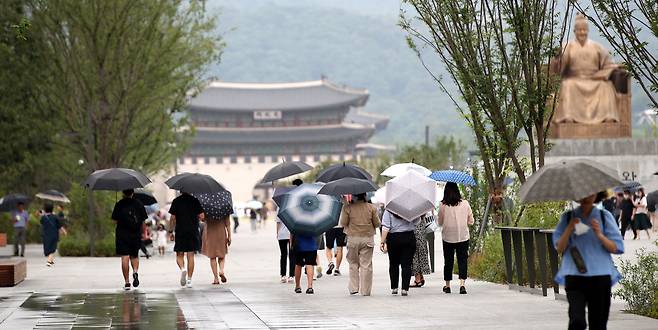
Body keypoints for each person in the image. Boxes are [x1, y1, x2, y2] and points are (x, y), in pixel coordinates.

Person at [554, 192, 624, 330]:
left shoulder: (605, 217)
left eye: (590, 194)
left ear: (597, 195)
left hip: (600, 275)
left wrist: (599, 235)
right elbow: (559, 247)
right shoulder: (567, 217)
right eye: (582, 194)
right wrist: (569, 228)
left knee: (598, 323)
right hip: (575, 275)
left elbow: (617, 247)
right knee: (577, 320)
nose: (586, 197)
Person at [340, 193, 380, 296]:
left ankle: (354, 288)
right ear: (365, 196)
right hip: (367, 239)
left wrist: (345, 205)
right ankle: (365, 291)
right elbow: (377, 224)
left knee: (353, 263)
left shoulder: (348, 208)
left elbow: (343, 223)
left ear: (354, 196)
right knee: (366, 265)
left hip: (353, 238)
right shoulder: (371, 208)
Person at [438, 182, 474, 294]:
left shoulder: (443, 205)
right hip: (463, 236)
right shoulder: (465, 203)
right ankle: (462, 285)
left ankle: (447, 285)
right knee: (462, 260)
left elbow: (439, 222)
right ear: (458, 191)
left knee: (448, 261)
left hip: (448, 237)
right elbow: (471, 221)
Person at [112, 189, 148, 290]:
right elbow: (143, 221)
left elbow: (114, 220)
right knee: (134, 255)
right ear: (132, 193)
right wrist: (144, 233)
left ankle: (127, 282)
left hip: (122, 234)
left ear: (123, 193)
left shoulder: (119, 204)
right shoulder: (139, 204)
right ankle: (135, 272)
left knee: (125, 257)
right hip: (135, 233)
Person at [168, 191, 205, 288]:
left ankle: (182, 269)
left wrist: (170, 231)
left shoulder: (176, 201)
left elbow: (172, 217)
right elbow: (202, 217)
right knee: (190, 255)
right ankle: (189, 280)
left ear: (180, 190)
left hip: (180, 231)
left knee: (179, 254)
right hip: (193, 231)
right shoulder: (195, 200)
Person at [380, 210, 418, 296]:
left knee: (393, 264)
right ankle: (405, 289)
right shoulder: (411, 208)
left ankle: (394, 287)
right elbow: (416, 221)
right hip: (409, 236)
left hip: (394, 238)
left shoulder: (389, 209)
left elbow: (386, 226)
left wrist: (382, 241)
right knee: (407, 264)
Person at [202, 214, 231, 285]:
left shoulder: (207, 207)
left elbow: (202, 219)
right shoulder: (224, 208)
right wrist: (229, 236)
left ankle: (216, 278)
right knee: (222, 254)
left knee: (212, 257)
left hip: (209, 233)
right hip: (221, 232)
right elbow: (228, 224)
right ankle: (221, 270)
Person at [410, 214, 431, 288]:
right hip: (422, 233)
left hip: (414, 232)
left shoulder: (412, 209)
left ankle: (417, 279)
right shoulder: (422, 207)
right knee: (421, 253)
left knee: (414, 256)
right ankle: (420, 277)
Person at [276, 216, 294, 283]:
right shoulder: (292, 208)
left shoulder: (279, 209)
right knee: (292, 255)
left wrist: (277, 233)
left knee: (283, 255)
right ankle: (291, 276)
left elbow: (278, 223)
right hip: (291, 234)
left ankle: (283, 275)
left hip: (282, 234)